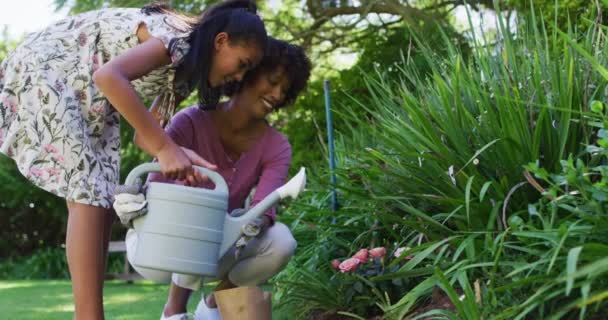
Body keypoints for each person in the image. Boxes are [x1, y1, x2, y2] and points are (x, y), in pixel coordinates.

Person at [0, 1, 267, 319]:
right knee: (87, 193)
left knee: (100, 199)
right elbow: (110, 77)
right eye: (241, 64)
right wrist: (167, 149)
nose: (237, 77)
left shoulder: (183, 74)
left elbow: (147, 135)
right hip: (50, 71)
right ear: (221, 41)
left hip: (89, 94)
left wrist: (178, 153)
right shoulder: (177, 40)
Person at [120, 37, 311, 320]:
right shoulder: (191, 121)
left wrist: (252, 222)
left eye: (285, 89)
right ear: (248, 73)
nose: (278, 94)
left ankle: (212, 305)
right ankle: (173, 311)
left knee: (282, 242)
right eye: (272, 81)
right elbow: (155, 188)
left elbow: (264, 208)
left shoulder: (277, 145)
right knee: (198, 215)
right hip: (158, 245)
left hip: (218, 246)